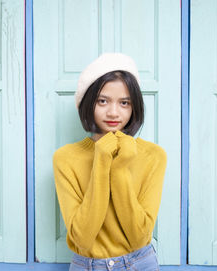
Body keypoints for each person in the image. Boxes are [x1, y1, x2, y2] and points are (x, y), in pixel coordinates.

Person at [53, 53, 167, 271]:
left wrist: (120, 167)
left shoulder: (154, 156)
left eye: (124, 103)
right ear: (88, 103)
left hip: (140, 263)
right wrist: (102, 160)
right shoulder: (65, 158)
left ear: (134, 107)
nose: (114, 112)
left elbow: (139, 237)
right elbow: (82, 239)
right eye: (102, 101)